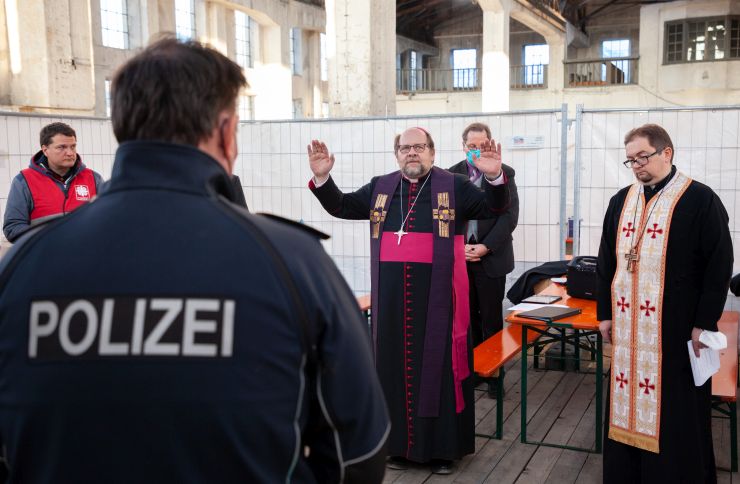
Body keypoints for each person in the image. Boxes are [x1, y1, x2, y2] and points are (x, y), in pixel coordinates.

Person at [0, 38, 389, 484]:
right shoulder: (292, 261)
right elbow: (358, 452)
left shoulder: (23, 266)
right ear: (225, 132)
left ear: (122, 126)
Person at [307, 127, 509, 474]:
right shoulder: (380, 187)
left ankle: (443, 451)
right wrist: (323, 178)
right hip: (391, 302)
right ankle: (398, 447)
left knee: (441, 367)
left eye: (418, 147)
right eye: (405, 148)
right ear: (396, 154)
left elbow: (494, 208)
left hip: (439, 297)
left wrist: (493, 177)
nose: (411, 153)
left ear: (432, 152)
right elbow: (341, 206)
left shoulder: (455, 185)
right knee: (392, 368)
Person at [597, 123, 733, 483]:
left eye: (642, 157)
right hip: (628, 332)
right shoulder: (620, 201)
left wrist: (704, 321)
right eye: (630, 160)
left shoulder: (700, 199)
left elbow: (719, 265)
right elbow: (606, 263)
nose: (636, 165)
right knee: (624, 406)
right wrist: (605, 315)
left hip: (676, 330)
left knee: (677, 412)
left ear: (667, 153)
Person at [448, 122, 519, 365]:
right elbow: (445, 216)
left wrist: (485, 246)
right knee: (466, 319)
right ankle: (472, 370)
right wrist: (458, 247)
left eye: (481, 145)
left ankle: (494, 372)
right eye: (471, 146)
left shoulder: (504, 173)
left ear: (489, 143)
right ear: (463, 146)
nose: (475, 150)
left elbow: (509, 217)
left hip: (492, 258)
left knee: (490, 319)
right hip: (460, 257)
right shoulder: (450, 175)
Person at [2, 122, 104, 242]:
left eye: (73, 146)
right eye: (61, 147)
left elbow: (107, 219)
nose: (70, 153)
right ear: (45, 150)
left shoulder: (93, 178)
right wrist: (48, 239)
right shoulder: (24, 181)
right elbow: (13, 228)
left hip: (87, 256)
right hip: (44, 257)